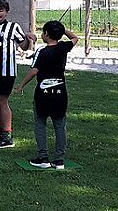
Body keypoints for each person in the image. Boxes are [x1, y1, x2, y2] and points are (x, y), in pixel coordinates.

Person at [15, 21, 78, 170]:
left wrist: (20, 85)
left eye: (43, 32)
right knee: (60, 125)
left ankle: (43, 158)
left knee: (40, 124)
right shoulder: (63, 47)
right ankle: (59, 160)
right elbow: (74, 38)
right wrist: (63, 30)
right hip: (60, 94)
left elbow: (34, 71)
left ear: (46, 35)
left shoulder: (42, 52)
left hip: (43, 95)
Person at [0, 0, 36, 148]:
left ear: (7, 12)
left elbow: (24, 47)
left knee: (2, 100)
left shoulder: (13, 27)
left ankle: (7, 134)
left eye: (1, 10)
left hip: (6, 71)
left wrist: (29, 39)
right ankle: (2, 131)